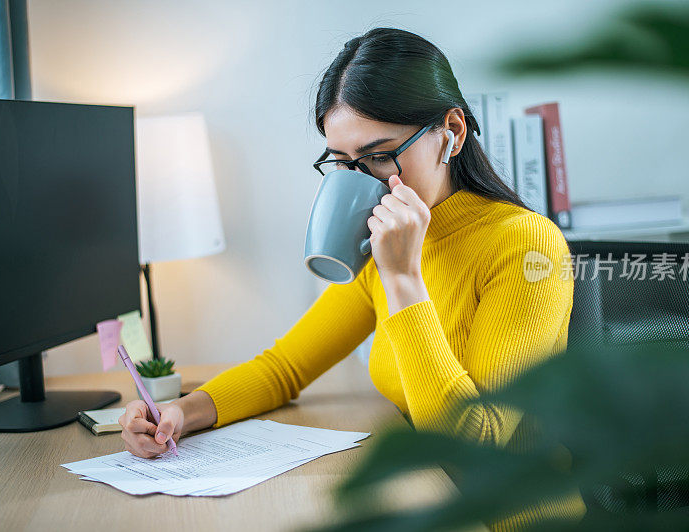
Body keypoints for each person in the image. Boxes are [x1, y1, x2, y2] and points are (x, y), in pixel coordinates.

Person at [119, 27, 585, 529]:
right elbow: (284, 368)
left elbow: (477, 439)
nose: (363, 181)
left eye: (380, 156)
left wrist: (403, 278)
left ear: (451, 130)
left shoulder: (525, 245)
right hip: (426, 495)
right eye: (343, 164)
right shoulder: (378, 246)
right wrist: (179, 415)